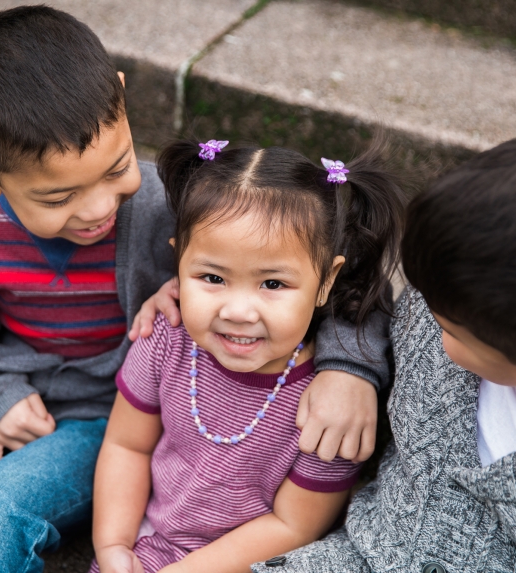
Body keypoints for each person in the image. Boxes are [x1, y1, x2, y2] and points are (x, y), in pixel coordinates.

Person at [0, 8, 392, 573]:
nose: (99, 207)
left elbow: (335, 272)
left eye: (116, 166)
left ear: (121, 99)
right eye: (56, 198)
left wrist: (350, 369)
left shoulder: (171, 206)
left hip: (106, 416)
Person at [255, 131, 516, 572]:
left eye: (448, 331)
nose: (420, 315)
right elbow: (347, 287)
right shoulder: (467, 274)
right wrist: (351, 366)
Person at [89, 138, 408, 573]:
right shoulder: (167, 338)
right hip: (148, 548)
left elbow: (294, 525)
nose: (237, 312)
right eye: (213, 276)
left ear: (327, 281)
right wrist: (112, 546)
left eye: (273, 284)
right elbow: (127, 445)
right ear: (179, 260)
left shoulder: (331, 407)